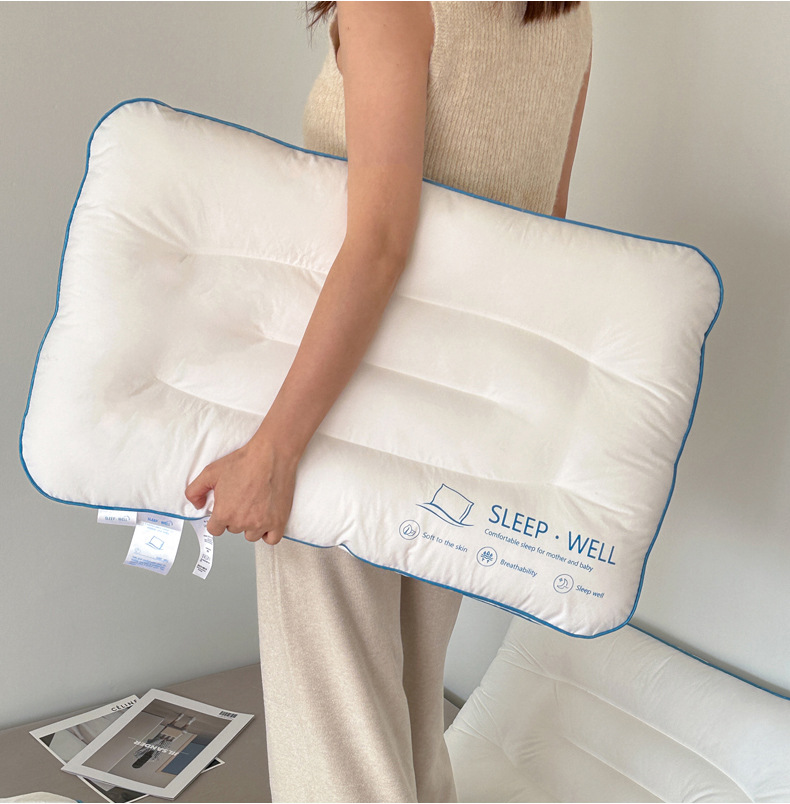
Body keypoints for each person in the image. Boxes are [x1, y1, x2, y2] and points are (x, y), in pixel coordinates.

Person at [185, 2, 592, 800]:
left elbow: (377, 244)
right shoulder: (567, 13)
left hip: (346, 407)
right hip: (467, 411)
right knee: (407, 722)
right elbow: (548, 233)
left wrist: (276, 448)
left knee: (337, 743)